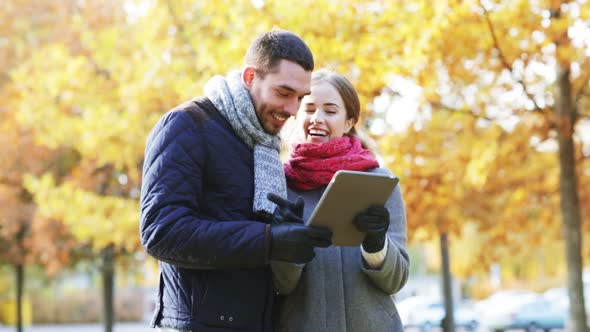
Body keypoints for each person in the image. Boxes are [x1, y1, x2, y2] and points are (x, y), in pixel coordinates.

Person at [139, 29, 332, 332]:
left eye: (300, 97)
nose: (294, 110)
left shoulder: (263, 144)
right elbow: (161, 231)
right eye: (283, 93)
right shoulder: (186, 126)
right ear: (250, 77)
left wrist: (284, 229)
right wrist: (268, 240)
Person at [271, 69, 410, 331]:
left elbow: (397, 281)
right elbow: (281, 285)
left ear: (349, 122)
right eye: (309, 108)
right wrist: (286, 244)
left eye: (330, 111)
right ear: (296, 114)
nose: (317, 118)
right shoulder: (279, 185)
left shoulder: (380, 183)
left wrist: (377, 245)